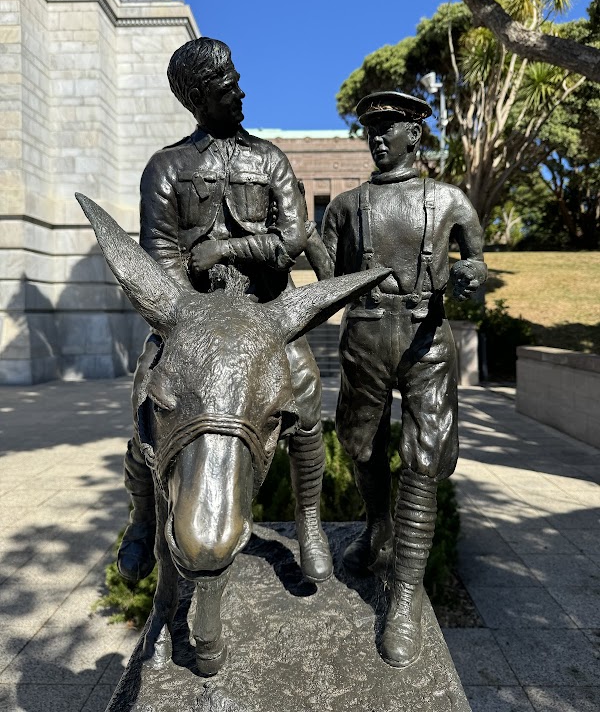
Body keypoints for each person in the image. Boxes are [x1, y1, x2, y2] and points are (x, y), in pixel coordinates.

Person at [119, 37, 333, 586]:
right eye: (224, 88)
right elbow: (159, 255)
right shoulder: (165, 169)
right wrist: (191, 317)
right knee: (148, 395)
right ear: (197, 100)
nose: (239, 92)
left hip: (264, 316)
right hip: (193, 321)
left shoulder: (269, 160)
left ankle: (309, 520)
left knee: (306, 394)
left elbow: (291, 241)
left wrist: (229, 250)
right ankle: (144, 518)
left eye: (236, 79)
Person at [322, 90, 487, 668]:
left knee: (423, 460)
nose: (376, 134)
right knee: (359, 444)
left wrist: (468, 275)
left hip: (427, 342)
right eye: (370, 126)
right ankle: (377, 527)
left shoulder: (449, 201)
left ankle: (405, 598)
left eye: (387, 126)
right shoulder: (345, 207)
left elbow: (476, 262)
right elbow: (331, 278)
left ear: (414, 135)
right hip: (365, 337)